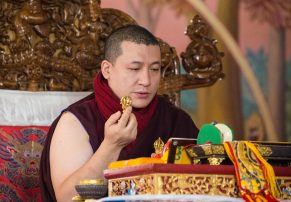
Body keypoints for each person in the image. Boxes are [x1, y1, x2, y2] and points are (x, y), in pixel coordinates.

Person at [39, 25, 199, 201]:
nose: (146, 81)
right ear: (107, 70)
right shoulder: (77, 121)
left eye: (154, 69)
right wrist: (112, 145)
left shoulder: (175, 119)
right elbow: (67, 198)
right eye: (134, 69)